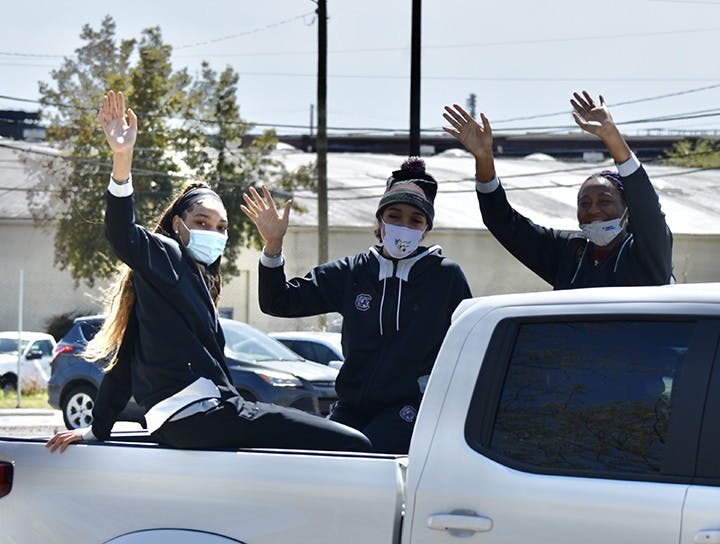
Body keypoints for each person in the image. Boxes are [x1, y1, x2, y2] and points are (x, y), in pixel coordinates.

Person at [45, 90, 371, 454]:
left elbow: (123, 365)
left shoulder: (185, 282)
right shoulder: (168, 255)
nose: (213, 233)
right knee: (353, 442)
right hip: (199, 414)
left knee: (323, 438)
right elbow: (123, 235)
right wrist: (122, 159)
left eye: (221, 226)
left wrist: (96, 430)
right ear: (178, 224)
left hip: (191, 420)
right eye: (201, 221)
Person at [241, 157, 472, 454]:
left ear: (426, 227)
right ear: (379, 220)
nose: (404, 226)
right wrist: (273, 246)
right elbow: (278, 301)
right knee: (324, 456)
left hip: (410, 408)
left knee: (367, 455)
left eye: (415, 220)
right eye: (394, 215)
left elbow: (468, 345)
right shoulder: (353, 272)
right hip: (350, 408)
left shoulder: (445, 276)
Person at [442, 91, 673, 290]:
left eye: (604, 201)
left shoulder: (648, 253)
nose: (593, 210)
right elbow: (503, 222)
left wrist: (613, 138)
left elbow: (648, 208)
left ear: (627, 210)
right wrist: (484, 159)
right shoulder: (570, 254)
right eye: (584, 203)